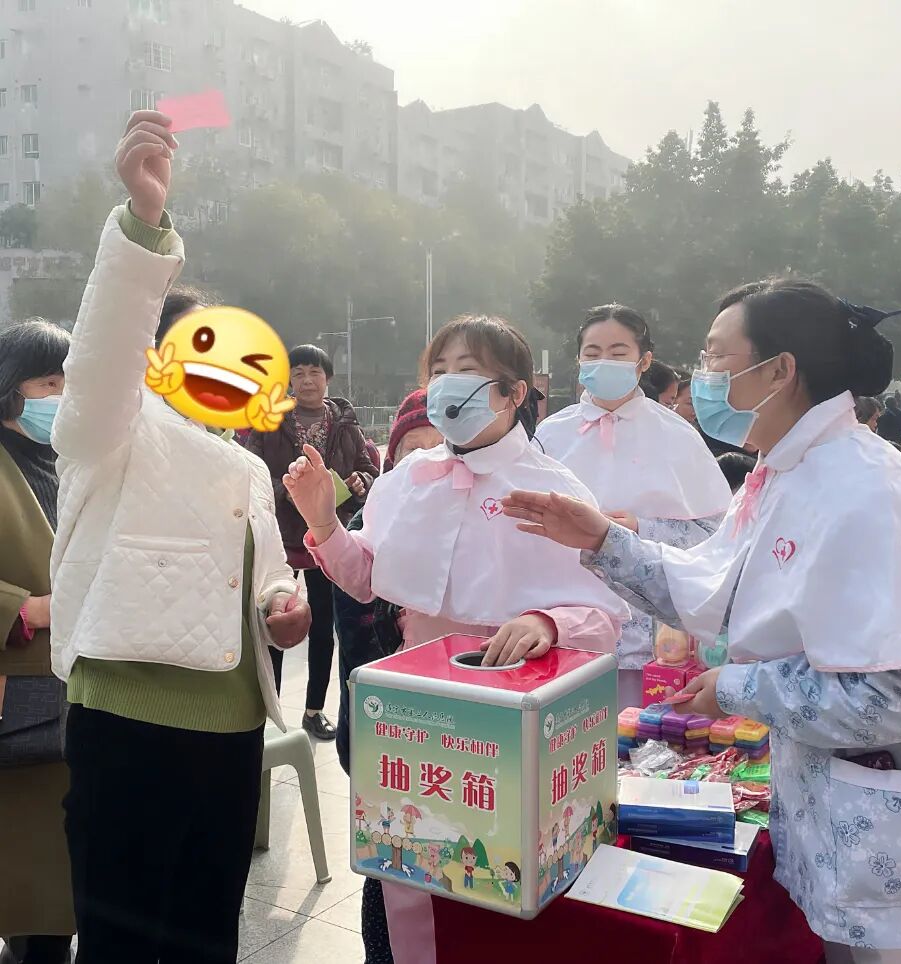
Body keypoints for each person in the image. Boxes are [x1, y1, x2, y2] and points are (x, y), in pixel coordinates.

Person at [505, 279, 901, 962]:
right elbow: (712, 588)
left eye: (717, 356)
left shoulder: (868, 491)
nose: (703, 375)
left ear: (779, 369)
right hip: (847, 833)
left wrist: (738, 688)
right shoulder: (789, 472)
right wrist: (603, 540)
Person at [283, 313, 629, 964]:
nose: (447, 385)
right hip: (416, 713)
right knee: (408, 865)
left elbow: (606, 616)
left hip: (510, 722)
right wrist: (324, 523)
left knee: (497, 879)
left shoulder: (552, 489)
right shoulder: (409, 480)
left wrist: (545, 622)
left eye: (467, 371)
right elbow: (367, 580)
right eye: (438, 371)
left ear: (515, 393)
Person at [49, 111, 311, 964]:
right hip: (127, 723)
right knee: (121, 942)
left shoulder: (245, 467)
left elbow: (269, 578)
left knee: (206, 937)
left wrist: (285, 606)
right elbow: (102, 355)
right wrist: (145, 224)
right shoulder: (110, 431)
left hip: (232, 731)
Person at [535, 304, 730, 707]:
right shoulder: (550, 434)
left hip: (654, 640)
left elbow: (717, 537)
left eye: (618, 352)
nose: (604, 362)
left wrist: (642, 528)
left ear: (644, 361)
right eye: (592, 353)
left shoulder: (677, 435)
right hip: (564, 625)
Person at [333, 389, 442, 964]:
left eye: (437, 446)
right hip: (389, 726)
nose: (423, 459)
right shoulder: (367, 526)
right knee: (391, 859)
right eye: (409, 449)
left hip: (459, 733)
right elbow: (355, 641)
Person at [247, 343, 378, 740]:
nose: (307, 381)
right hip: (282, 539)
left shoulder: (346, 424)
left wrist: (361, 481)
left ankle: (313, 710)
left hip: (328, 540)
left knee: (323, 628)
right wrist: (287, 491)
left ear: (328, 378)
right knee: (274, 623)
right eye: (299, 373)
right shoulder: (270, 421)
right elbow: (251, 470)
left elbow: (368, 467)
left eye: (315, 373)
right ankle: (268, 711)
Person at [0, 320, 74, 964]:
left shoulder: (71, 464)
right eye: (49, 383)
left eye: (68, 382)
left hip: (73, 696)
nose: (61, 396)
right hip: (15, 694)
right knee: (24, 870)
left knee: (56, 881)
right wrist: (22, 609)